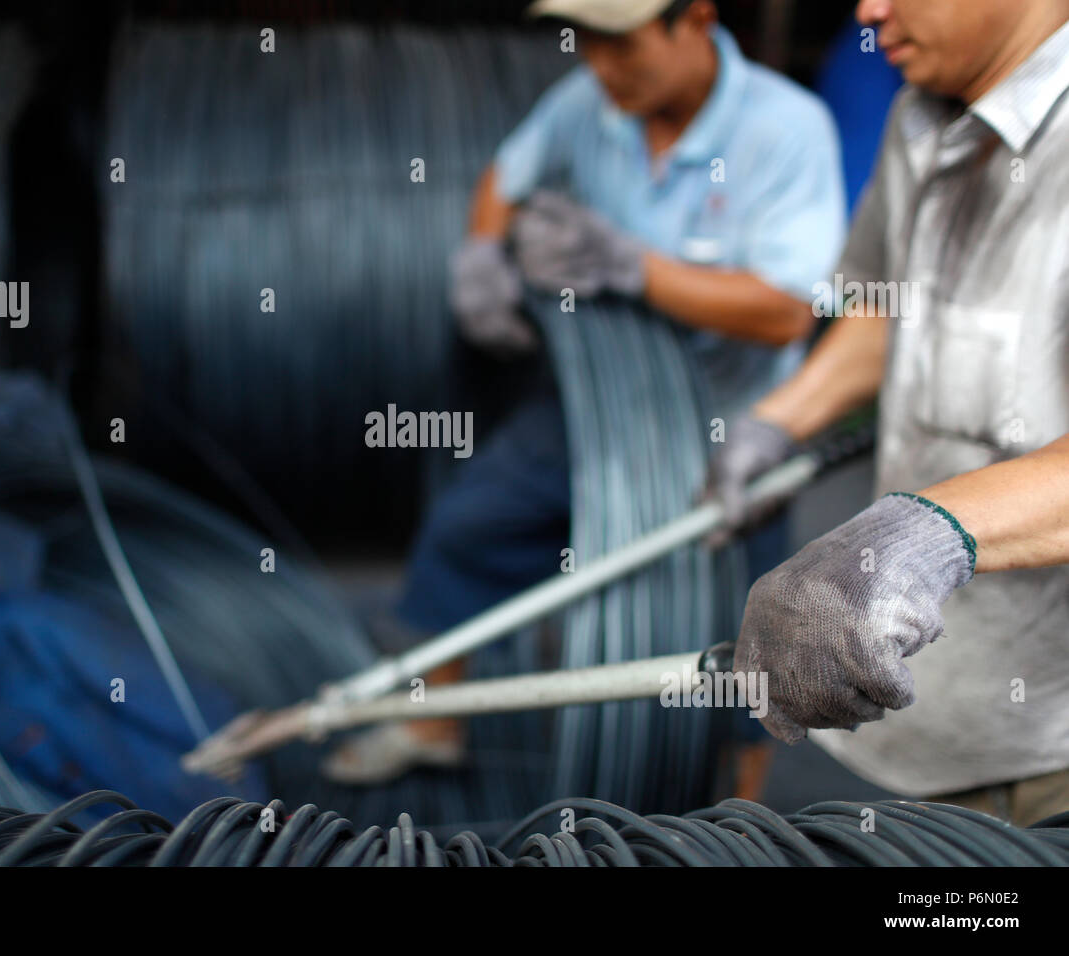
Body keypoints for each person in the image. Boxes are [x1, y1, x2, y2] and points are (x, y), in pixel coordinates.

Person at [324, 0, 846, 787]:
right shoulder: (591, 102)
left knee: (748, 634)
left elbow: (785, 311)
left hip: (735, 429)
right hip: (603, 410)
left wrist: (634, 268)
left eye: (621, 45)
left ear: (694, 18)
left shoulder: (787, 128)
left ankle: (737, 818)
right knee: (469, 529)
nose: (599, 66)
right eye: (589, 44)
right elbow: (508, 172)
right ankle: (429, 724)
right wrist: (481, 256)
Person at [707, 0, 1069, 826]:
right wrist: (779, 422)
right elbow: (883, 307)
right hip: (931, 693)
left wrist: (925, 532)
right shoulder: (918, 113)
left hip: (1054, 738)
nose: (869, 10)